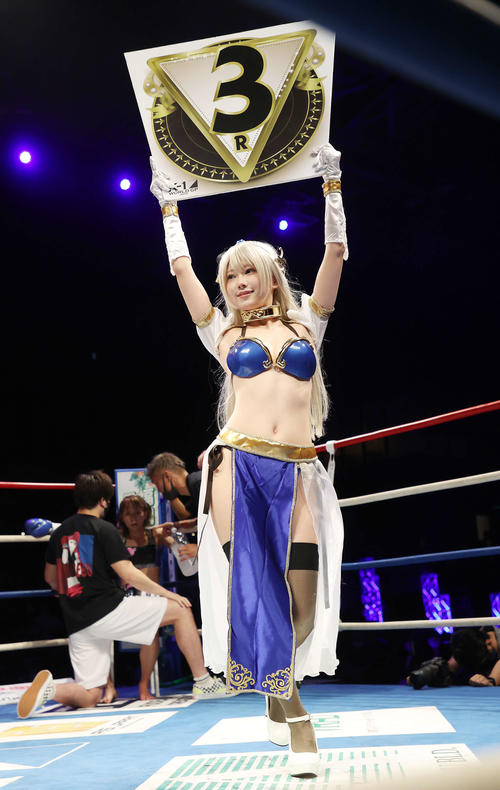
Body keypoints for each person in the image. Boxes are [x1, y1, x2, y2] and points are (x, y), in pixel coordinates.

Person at [149, 142, 347, 777]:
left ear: (269, 276)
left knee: (302, 603)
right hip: (237, 467)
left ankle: (271, 686)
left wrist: (332, 187)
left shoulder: (307, 324)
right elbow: (182, 272)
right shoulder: (223, 334)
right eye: (229, 276)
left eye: (247, 272)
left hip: (298, 469)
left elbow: (335, 255)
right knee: (257, 593)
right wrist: (169, 209)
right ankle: (298, 720)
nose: (237, 283)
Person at [17, 471, 226, 719]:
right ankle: (203, 681)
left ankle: (51, 689)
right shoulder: (105, 529)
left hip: (77, 622)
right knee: (180, 610)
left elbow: (51, 578)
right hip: (108, 610)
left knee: (90, 695)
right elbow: (128, 573)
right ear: (104, 500)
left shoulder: (60, 532)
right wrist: (168, 594)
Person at [102, 493, 177, 702]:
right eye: (128, 514)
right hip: (124, 596)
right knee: (100, 633)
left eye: (137, 512)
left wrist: (175, 536)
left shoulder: (156, 535)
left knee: (152, 635)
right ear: (122, 517)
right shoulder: (115, 538)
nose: (133, 518)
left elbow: (177, 546)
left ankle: (143, 685)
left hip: (152, 596)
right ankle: (108, 686)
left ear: (145, 513)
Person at [407, 627, 500, 689]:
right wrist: (424, 674)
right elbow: (451, 665)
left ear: (489, 643)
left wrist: (491, 681)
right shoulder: (475, 640)